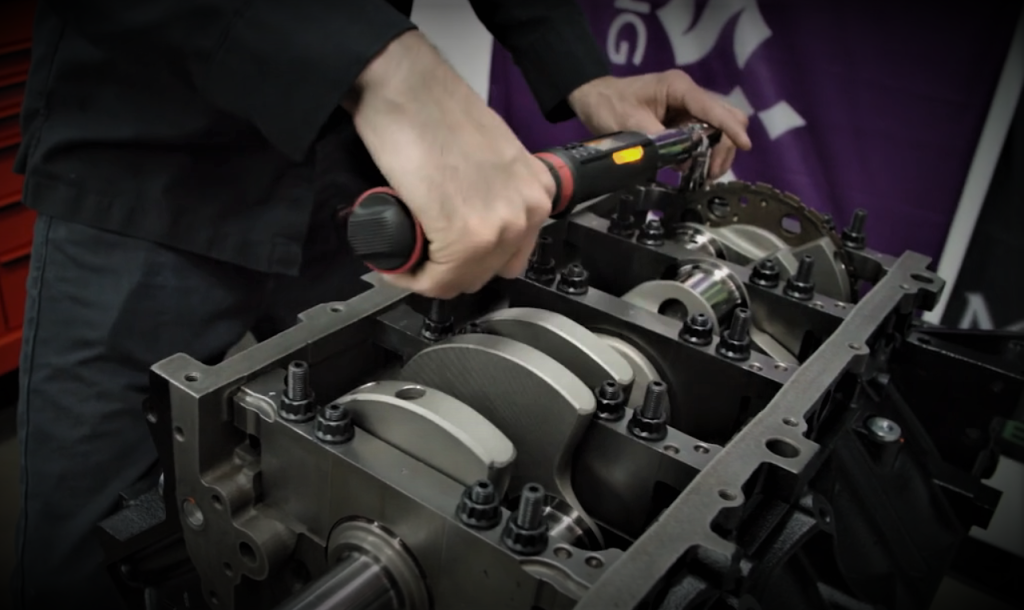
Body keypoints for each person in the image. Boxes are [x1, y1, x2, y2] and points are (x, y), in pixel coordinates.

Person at [10, 0, 750, 608]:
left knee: (386, 469)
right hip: (141, 177)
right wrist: (383, 64)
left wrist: (585, 74)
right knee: (83, 560)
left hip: (345, 185)